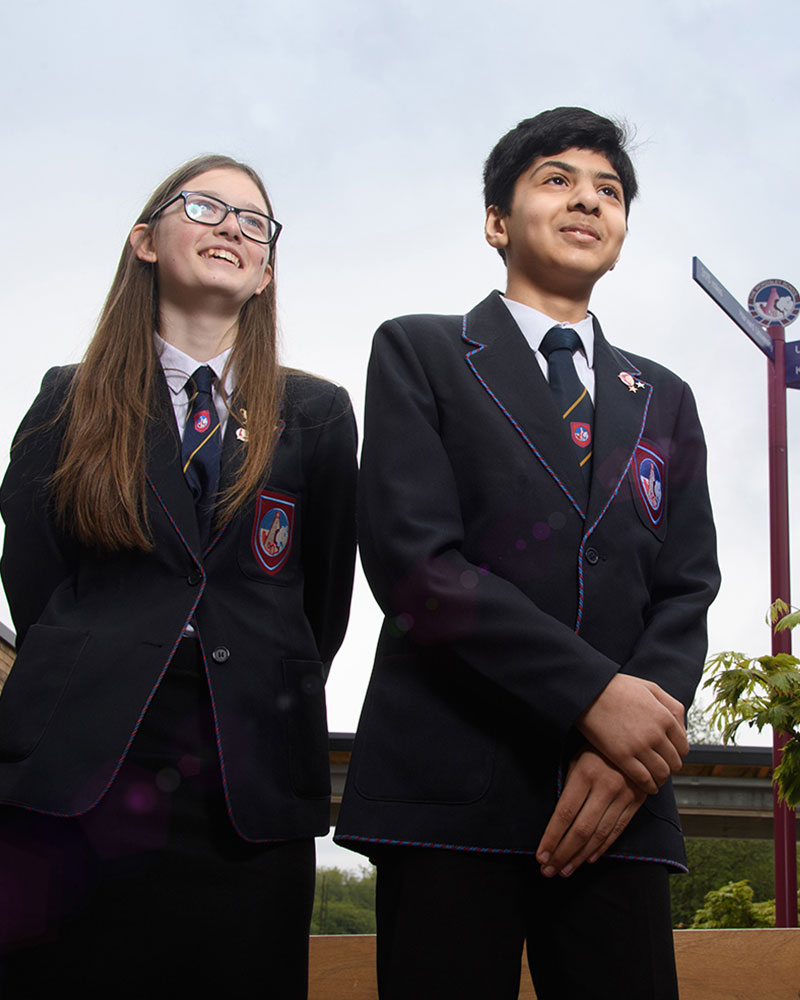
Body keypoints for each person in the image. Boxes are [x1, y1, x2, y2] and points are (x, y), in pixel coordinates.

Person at [335, 108, 720, 999]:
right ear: (497, 222)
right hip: (450, 792)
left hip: (616, 803)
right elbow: (417, 568)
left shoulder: (665, 397)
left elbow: (687, 588)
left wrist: (636, 745)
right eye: (558, 178)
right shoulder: (421, 350)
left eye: (610, 190)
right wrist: (594, 698)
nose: (589, 198)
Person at [0, 155, 357, 997]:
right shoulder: (67, 401)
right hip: (81, 764)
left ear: (266, 271)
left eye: (255, 221)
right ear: (145, 240)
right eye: (205, 207)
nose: (232, 226)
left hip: (248, 772)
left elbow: (321, 602)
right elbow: (40, 587)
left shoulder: (318, 414)